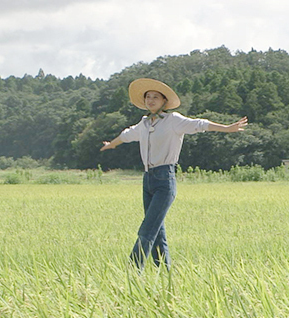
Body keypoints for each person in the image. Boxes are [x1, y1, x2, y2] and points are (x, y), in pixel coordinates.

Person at [100, 78, 247, 271]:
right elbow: (127, 135)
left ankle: (133, 270)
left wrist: (227, 128)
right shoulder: (143, 124)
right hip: (148, 179)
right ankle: (165, 272)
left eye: (155, 97)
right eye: (148, 97)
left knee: (147, 229)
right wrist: (111, 144)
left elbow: (199, 124)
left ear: (164, 102)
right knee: (157, 230)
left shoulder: (173, 121)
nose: (151, 100)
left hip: (164, 180)